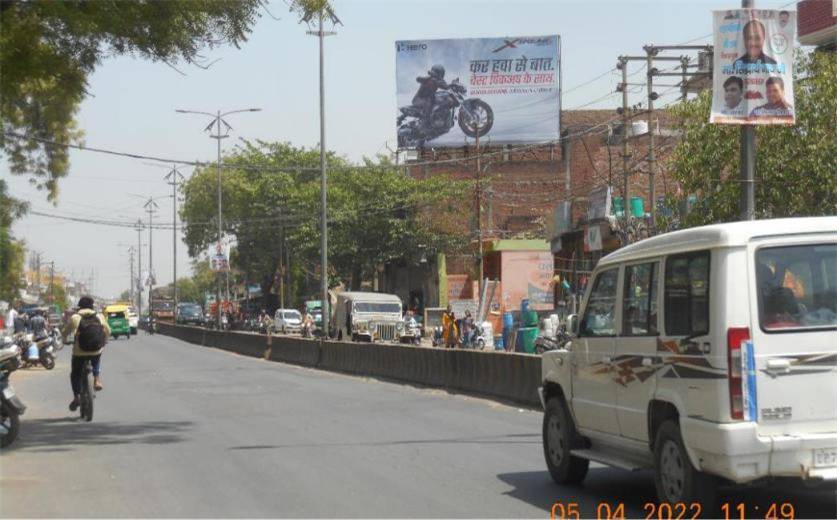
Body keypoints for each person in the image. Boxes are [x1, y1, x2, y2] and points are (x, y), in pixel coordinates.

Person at [62, 296, 110, 411]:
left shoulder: (75, 317)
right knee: (97, 356)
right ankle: (97, 378)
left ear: (80, 306)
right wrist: (105, 340)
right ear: (92, 306)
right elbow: (108, 330)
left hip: (79, 352)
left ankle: (76, 396)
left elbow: (65, 332)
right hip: (95, 350)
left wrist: (64, 340)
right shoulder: (99, 316)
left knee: (75, 374)